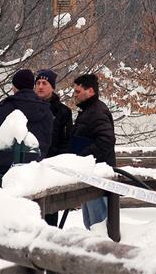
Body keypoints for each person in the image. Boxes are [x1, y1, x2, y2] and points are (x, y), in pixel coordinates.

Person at [0, 69, 53, 186]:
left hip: (6, 167)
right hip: (34, 168)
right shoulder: (45, 109)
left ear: (15, 87)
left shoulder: (7, 106)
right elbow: (47, 139)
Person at [72, 73, 116, 230]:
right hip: (89, 174)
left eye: (77, 92)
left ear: (90, 91)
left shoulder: (97, 112)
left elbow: (107, 140)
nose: (74, 95)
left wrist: (85, 157)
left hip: (97, 175)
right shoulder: (87, 112)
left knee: (99, 225)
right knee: (90, 224)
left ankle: (106, 252)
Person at [34, 69, 73, 226]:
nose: (40, 87)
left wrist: (57, 162)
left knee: (50, 214)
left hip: (52, 167)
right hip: (31, 166)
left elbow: (66, 141)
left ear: (52, 87)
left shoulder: (63, 112)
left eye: (44, 83)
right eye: (37, 83)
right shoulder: (29, 107)